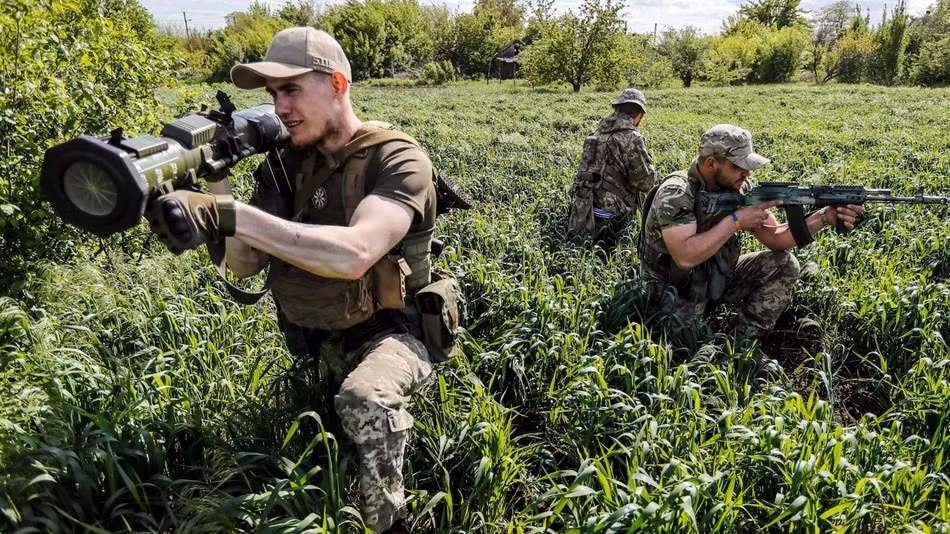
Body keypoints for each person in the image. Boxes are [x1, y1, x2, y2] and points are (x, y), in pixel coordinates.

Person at [145, 27, 457, 534]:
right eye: (272, 95)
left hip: (395, 330)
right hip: (325, 329)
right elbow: (244, 265)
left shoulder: (397, 158)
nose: (279, 107)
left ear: (337, 84)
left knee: (365, 398)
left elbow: (356, 254)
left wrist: (226, 214)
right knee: (332, 407)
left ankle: (390, 523)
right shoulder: (286, 166)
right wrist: (217, 182)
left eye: (291, 90)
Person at [639, 124, 864, 343]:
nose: (746, 173)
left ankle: (744, 345)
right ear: (711, 163)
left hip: (718, 274)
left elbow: (776, 238)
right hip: (672, 287)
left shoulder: (739, 187)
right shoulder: (676, 193)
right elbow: (685, 256)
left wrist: (824, 217)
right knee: (688, 345)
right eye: (738, 166)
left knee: (784, 263)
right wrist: (735, 222)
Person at [567, 88, 657, 248]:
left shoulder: (594, 134)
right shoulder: (632, 139)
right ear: (640, 116)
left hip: (583, 208)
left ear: (616, 109)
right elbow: (646, 184)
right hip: (611, 216)